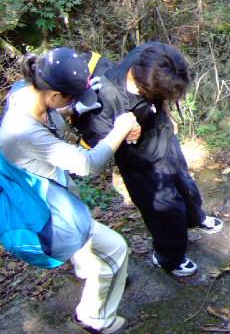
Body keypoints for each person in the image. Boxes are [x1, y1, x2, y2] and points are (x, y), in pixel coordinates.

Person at [0, 47, 140, 334]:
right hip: (47, 209)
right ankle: (95, 318)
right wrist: (121, 127)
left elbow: (51, 119)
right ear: (53, 95)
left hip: (52, 187)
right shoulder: (22, 131)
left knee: (88, 250)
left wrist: (72, 109)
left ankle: (87, 269)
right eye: (71, 97)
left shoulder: (24, 91)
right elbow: (87, 163)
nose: (75, 101)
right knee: (116, 249)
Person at [76, 42, 223, 278]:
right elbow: (98, 149)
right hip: (139, 162)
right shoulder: (105, 97)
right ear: (144, 87)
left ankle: (196, 218)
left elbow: (163, 92)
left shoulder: (151, 57)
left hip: (163, 137)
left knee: (185, 183)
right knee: (164, 210)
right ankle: (169, 258)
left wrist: (167, 115)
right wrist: (123, 131)